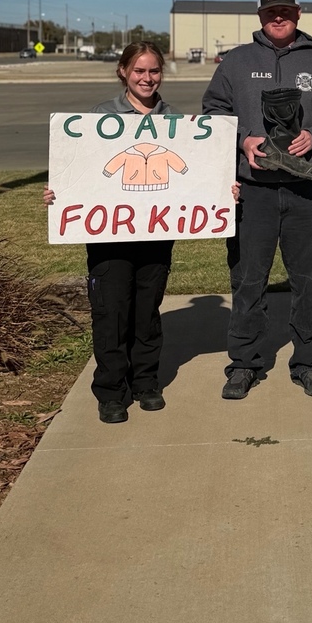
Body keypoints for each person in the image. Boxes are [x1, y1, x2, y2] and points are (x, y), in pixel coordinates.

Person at [44, 42, 229, 425]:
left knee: (147, 313)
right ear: (123, 72)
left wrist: (221, 189)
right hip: (109, 237)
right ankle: (111, 391)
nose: (147, 78)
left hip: (156, 233)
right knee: (111, 314)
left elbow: (194, 174)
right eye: (140, 71)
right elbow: (82, 171)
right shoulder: (100, 117)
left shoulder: (175, 121)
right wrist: (58, 191)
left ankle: (146, 383)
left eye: (154, 71)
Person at [202, 0, 312, 399]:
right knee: (248, 281)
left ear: (298, 12)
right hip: (255, 193)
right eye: (271, 12)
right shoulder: (236, 61)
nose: (279, 17)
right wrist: (244, 138)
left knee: (308, 283)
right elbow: (213, 110)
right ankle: (245, 364)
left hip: (307, 193)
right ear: (260, 16)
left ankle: (308, 363)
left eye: (285, 10)